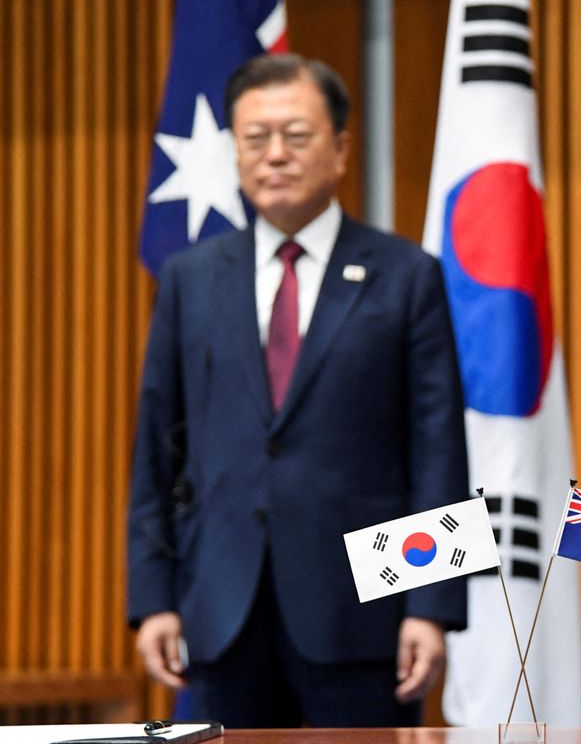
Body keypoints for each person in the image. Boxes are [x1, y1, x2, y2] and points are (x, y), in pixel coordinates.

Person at [127, 53, 469, 727]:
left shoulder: (406, 275)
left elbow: (440, 450)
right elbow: (156, 448)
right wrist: (152, 599)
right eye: (255, 139)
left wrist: (432, 607)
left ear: (340, 148)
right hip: (222, 606)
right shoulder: (190, 278)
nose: (275, 155)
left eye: (297, 135)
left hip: (368, 607)